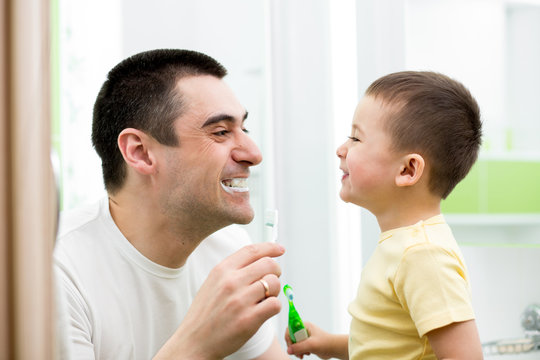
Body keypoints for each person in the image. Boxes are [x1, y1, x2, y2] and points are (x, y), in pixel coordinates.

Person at [54, 49, 291, 359]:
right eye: (221, 132)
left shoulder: (226, 246)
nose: (253, 153)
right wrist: (197, 345)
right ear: (139, 152)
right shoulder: (53, 271)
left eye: (243, 129)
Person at [286, 71, 484, 359]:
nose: (341, 149)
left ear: (407, 170)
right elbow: (388, 345)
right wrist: (328, 344)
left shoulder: (422, 254)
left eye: (355, 138)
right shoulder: (403, 247)